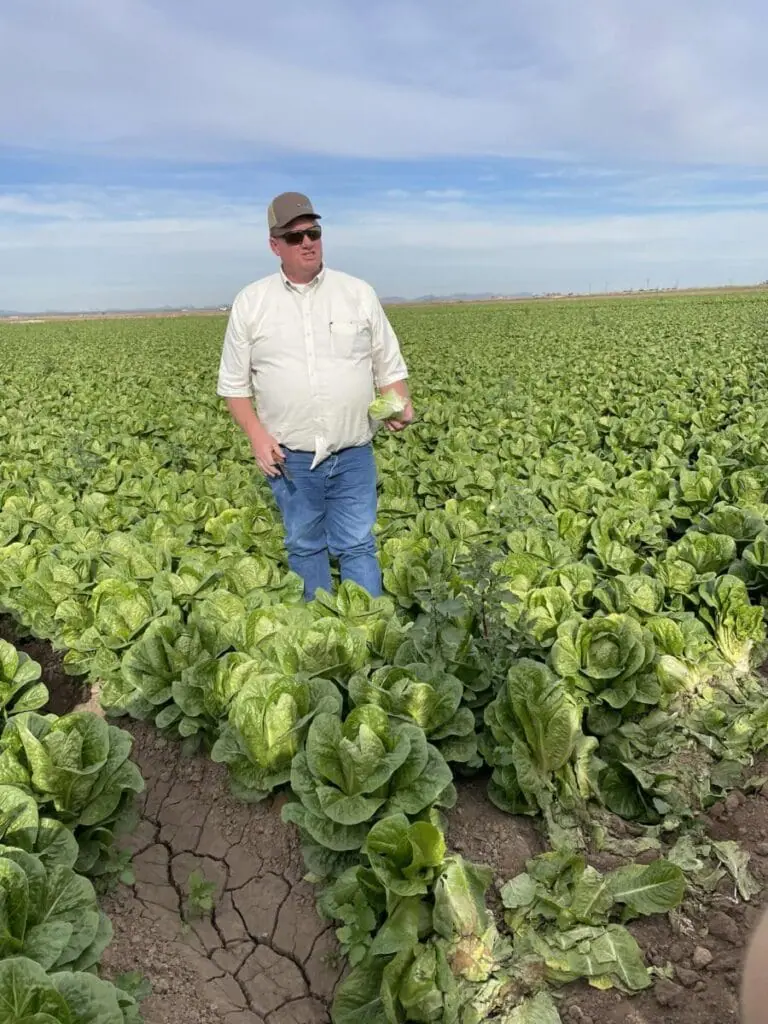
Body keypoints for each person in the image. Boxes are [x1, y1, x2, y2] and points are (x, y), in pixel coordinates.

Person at [216, 191, 413, 600]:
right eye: (295, 236)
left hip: (353, 453)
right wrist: (257, 437)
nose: (307, 242)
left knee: (358, 545)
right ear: (275, 245)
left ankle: (366, 630)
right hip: (290, 459)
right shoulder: (252, 302)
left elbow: (388, 366)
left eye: (314, 232)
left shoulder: (357, 293)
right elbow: (234, 386)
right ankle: (318, 631)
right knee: (304, 546)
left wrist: (398, 403)